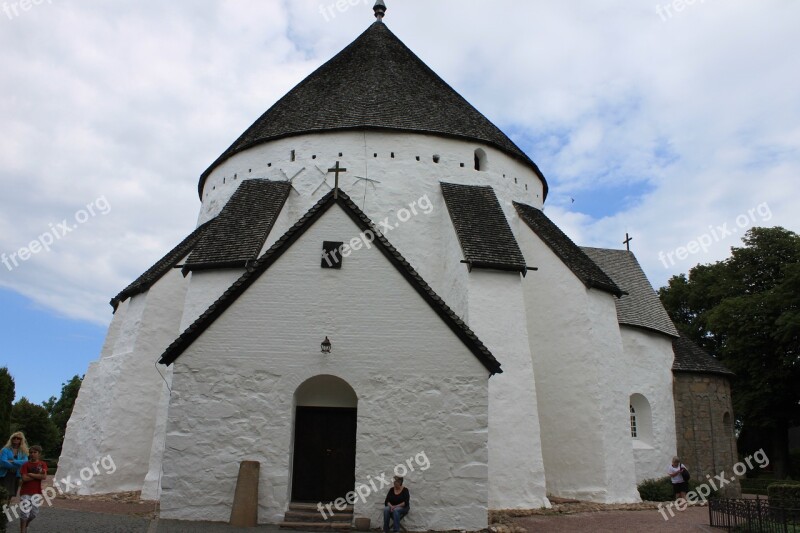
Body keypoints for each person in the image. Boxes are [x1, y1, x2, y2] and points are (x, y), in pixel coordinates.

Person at [19, 445, 47, 533]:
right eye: (31, 452)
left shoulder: (42, 464)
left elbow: (44, 476)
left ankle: (26, 524)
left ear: (39, 454)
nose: (33, 454)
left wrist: (30, 474)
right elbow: (24, 479)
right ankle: (22, 530)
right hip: (25, 491)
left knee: (34, 514)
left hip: (36, 492)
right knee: (25, 513)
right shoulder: (25, 465)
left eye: (35, 452)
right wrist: (37, 476)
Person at [0, 432, 29, 501]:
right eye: (14, 438)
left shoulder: (23, 451)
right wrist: (17, 466)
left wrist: (13, 461)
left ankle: (6, 509)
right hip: (5, 474)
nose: (16, 439)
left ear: (21, 440)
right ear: (11, 439)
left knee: (11, 494)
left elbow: (25, 462)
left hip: (16, 475)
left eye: (18, 438)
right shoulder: (5, 450)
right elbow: (3, 462)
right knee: (4, 493)